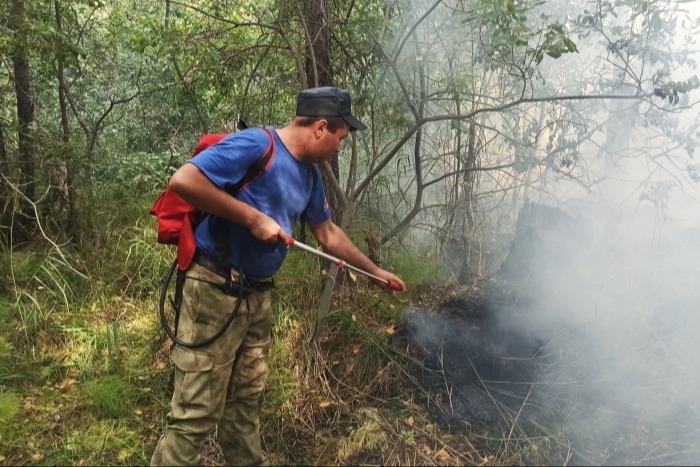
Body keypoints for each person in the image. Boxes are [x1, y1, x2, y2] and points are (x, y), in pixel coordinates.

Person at [150, 86, 406, 466]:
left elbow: (328, 233)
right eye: (340, 138)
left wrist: (373, 271)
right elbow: (183, 181)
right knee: (195, 414)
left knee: (244, 405)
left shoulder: (309, 176)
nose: (340, 148)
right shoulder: (257, 145)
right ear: (320, 127)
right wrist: (252, 218)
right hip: (215, 289)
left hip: (257, 297)